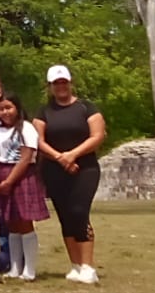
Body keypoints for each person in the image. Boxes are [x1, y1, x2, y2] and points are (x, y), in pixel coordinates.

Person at [34, 65, 106, 285]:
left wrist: (72, 155)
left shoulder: (86, 107)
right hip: (55, 169)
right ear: (50, 87)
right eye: (56, 83)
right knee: (65, 216)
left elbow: (98, 135)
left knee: (79, 211)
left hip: (85, 167)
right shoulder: (44, 112)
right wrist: (60, 158)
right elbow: (38, 140)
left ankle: (88, 266)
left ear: (70, 82)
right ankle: (75, 265)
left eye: (63, 82)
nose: (61, 87)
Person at [0, 88, 49, 281]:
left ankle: (29, 268)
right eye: (1, 108)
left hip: (21, 176)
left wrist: (10, 181)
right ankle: (15, 266)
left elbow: (27, 157)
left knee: (24, 222)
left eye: (8, 108)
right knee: (10, 223)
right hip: (0, 174)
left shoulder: (26, 128)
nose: (5, 112)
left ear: (17, 108)